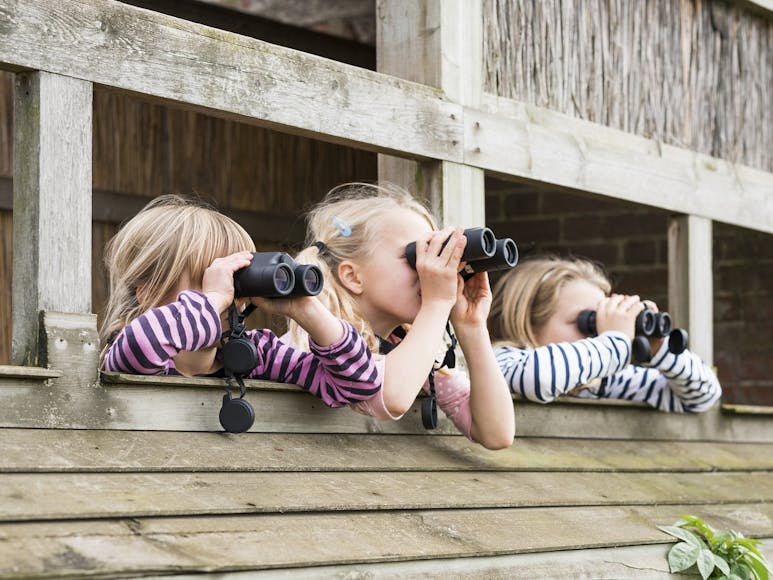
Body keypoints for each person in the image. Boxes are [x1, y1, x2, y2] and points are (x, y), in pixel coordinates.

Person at [286, 182, 515, 449]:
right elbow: (389, 396)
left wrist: (472, 326)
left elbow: (497, 434)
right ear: (353, 276)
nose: (430, 269)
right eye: (414, 256)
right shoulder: (314, 338)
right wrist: (437, 302)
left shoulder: (406, 348)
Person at [99, 194, 380, 410]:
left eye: (238, 277)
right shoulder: (130, 353)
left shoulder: (256, 355)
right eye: (208, 277)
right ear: (147, 292)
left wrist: (306, 309)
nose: (229, 292)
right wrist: (215, 299)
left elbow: (360, 385)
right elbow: (143, 343)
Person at [488, 256, 721, 412]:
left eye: (601, 320)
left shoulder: (599, 381)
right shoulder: (499, 362)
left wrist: (660, 350)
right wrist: (616, 340)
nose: (598, 333)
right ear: (527, 323)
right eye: (587, 322)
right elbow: (537, 379)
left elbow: (702, 396)